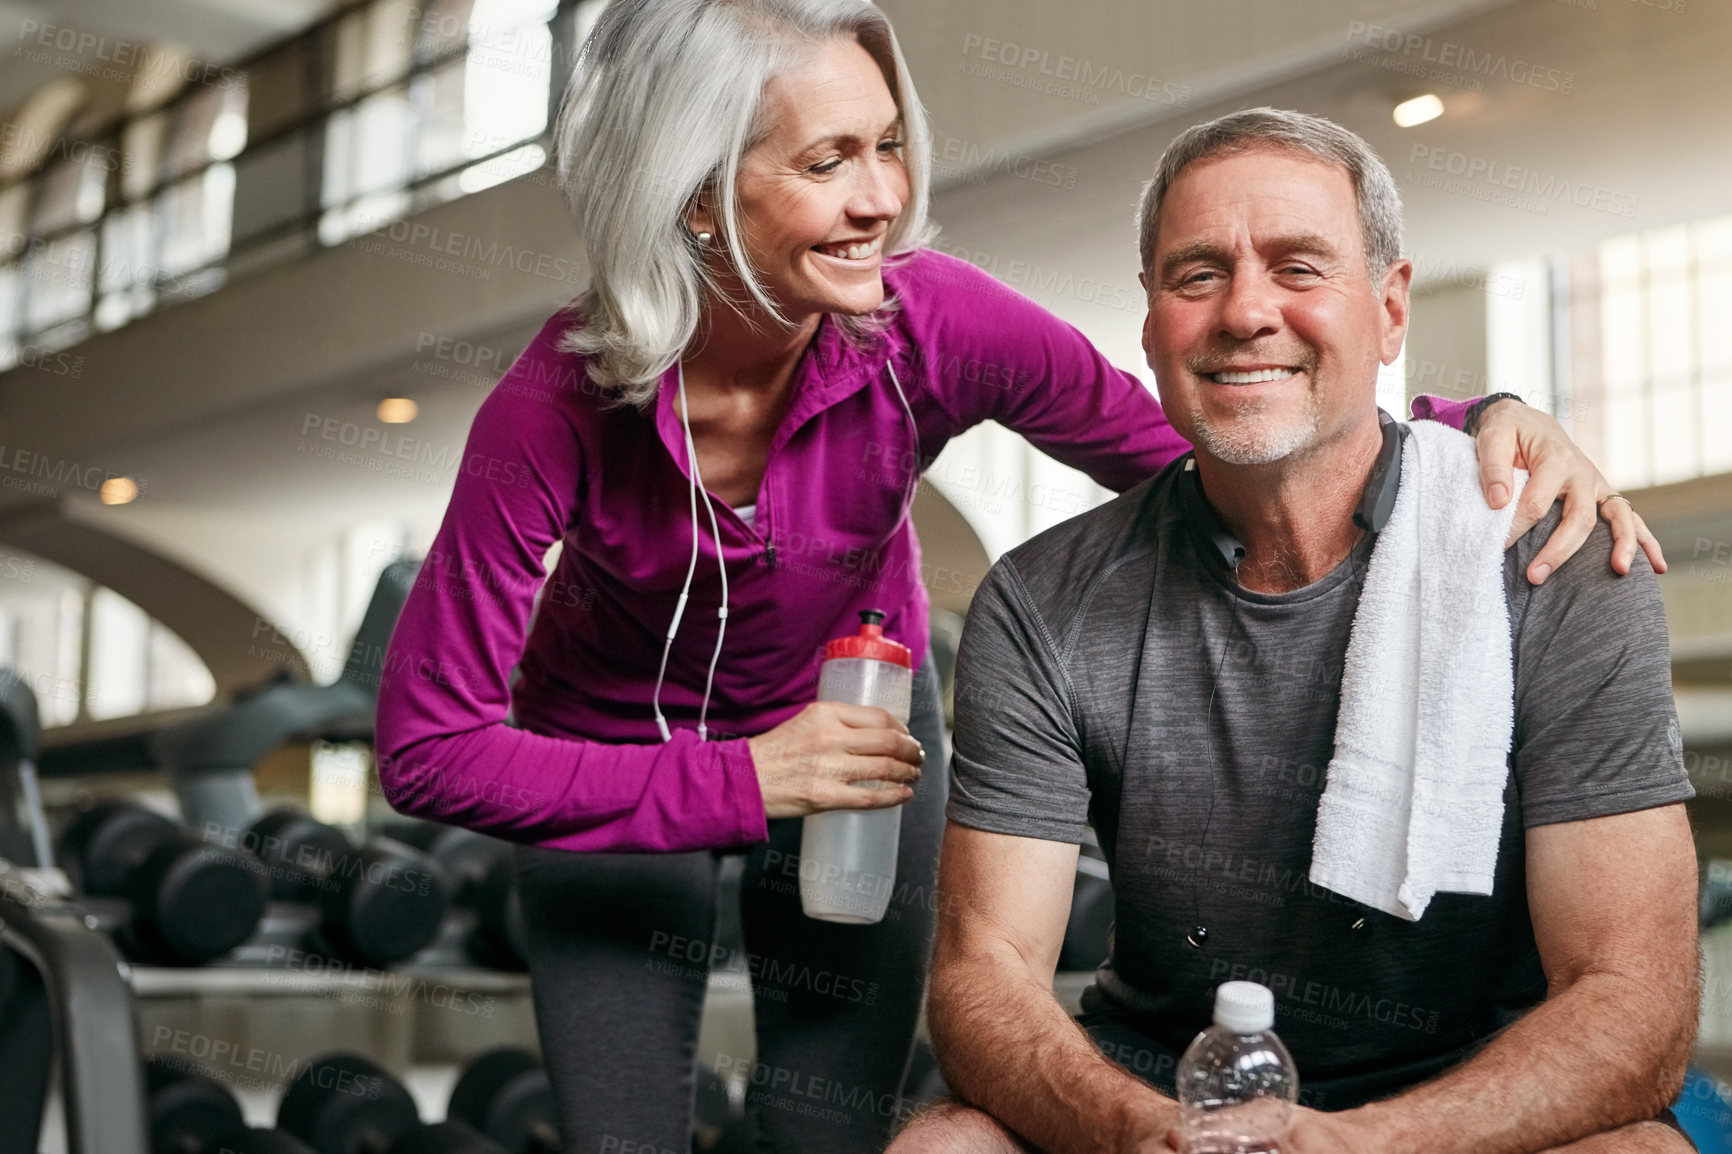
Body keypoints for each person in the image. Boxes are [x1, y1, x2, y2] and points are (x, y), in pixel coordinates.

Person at [371, 1, 1661, 1148]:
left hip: (862, 735)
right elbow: (428, 749)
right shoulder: (555, 405)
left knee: (828, 1125)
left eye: (886, 143)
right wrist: (746, 774)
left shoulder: (923, 321)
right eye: (829, 161)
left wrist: (1465, 433)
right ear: (698, 193)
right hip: (606, 759)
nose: (884, 195)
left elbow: (1221, 438)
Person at [889, 108, 1698, 1154]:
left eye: (1297, 266)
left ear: (1390, 307)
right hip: (1164, 1094)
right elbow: (982, 971)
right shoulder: (1043, 599)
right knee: (943, 1144)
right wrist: (1144, 1129)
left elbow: (1633, 997)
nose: (1245, 311)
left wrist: (1363, 1144)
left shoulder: (1556, 563)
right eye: (1196, 275)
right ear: (1148, 323)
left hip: (1474, 1099)